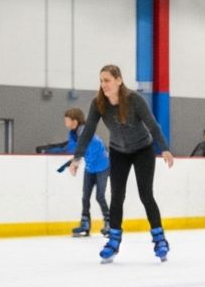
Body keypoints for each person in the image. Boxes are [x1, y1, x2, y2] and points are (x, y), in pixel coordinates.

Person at [71, 65, 174, 263]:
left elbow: (152, 124)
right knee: (117, 196)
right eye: (101, 80)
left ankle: (160, 239)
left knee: (146, 195)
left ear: (119, 80)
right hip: (118, 152)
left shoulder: (134, 100)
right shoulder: (98, 103)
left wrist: (165, 148)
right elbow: (89, 130)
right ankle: (114, 241)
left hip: (143, 150)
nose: (104, 84)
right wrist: (77, 157)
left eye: (107, 80)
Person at [42, 108, 111, 237]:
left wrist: (76, 161)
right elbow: (73, 149)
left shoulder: (85, 131)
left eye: (67, 120)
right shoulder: (73, 133)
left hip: (103, 167)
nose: (65, 123)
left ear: (74, 121)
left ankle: (109, 223)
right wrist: (73, 160)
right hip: (90, 167)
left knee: (99, 196)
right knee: (85, 196)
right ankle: (85, 224)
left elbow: (93, 147)